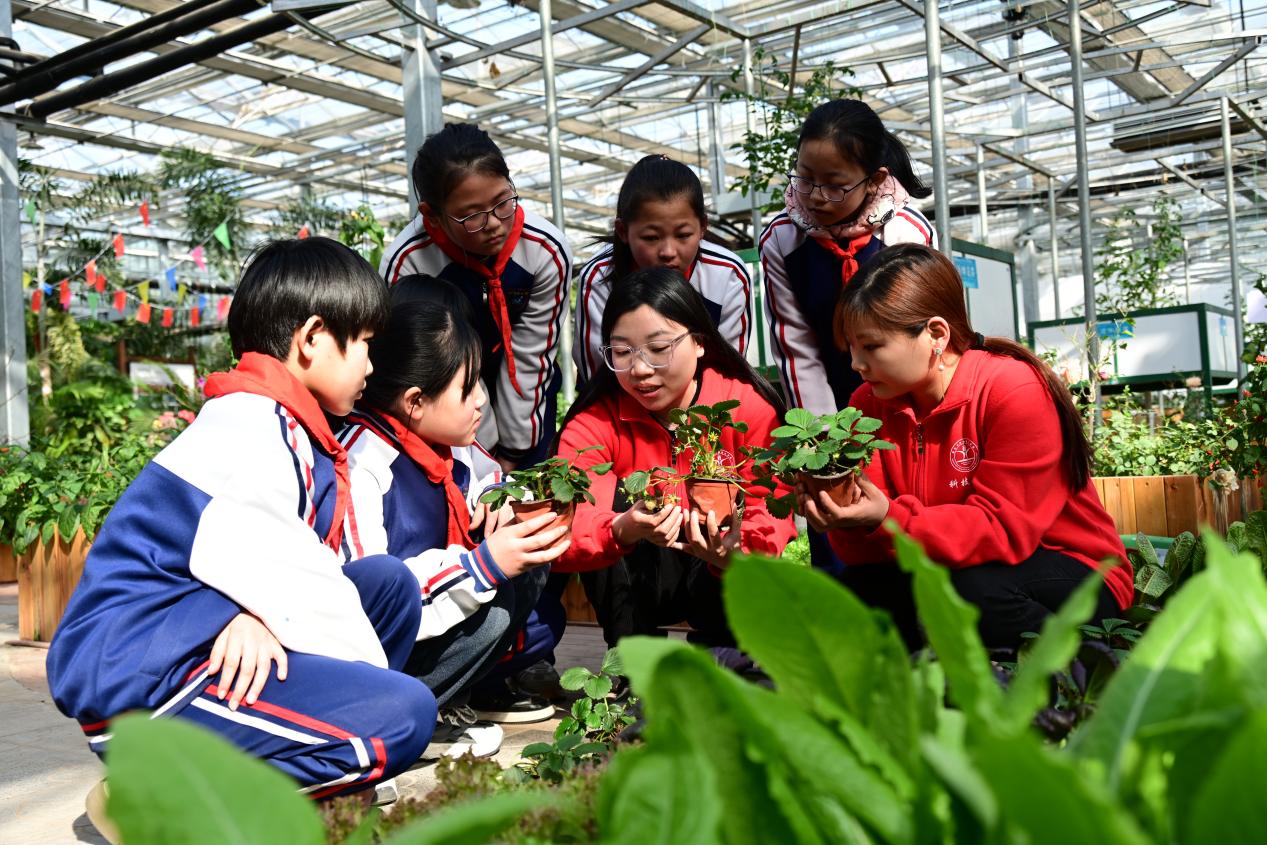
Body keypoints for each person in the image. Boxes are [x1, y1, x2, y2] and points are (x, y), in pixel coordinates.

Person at [46, 237, 435, 801]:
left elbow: (290, 573)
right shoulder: (251, 431)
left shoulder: (274, 418)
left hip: (185, 635)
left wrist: (252, 615)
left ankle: (322, 763)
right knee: (404, 715)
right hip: (143, 686)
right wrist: (377, 704)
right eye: (366, 345)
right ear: (313, 339)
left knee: (386, 586)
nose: (372, 366)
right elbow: (310, 597)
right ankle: (166, 796)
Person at [800, 244, 1134, 650]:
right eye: (851, 347)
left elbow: (1005, 532)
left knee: (970, 592)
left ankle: (1083, 666)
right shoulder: (866, 406)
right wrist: (850, 520)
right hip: (951, 566)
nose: (856, 363)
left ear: (936, 335)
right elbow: (868, 559)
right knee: (849, 594)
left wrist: (888, 515)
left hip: (1071, 568)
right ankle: (915, 694)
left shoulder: (1013, 389)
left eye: (871, 347)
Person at [342, 279, 564, 758]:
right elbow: (370, 599)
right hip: (375, 651)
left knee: (536, 590)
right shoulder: (362, 463)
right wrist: (482, 567)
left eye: (481, 380)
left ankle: (443, 702)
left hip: (436, 612)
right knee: (499, 609)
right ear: (415, 402)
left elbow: (493, 482)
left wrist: (504, 498)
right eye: (467, 388)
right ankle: (406, 712)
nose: (483, 399)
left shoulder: (453, 446)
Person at [555, 267, 797, 649]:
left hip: (722, 570)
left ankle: (729, 649)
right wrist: (620, 528)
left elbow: (770, 507)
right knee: (609, 510)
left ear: (700, 342)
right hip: (640, 575)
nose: (639, 369)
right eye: (622, 352)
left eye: (658, 348)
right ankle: (633, 660)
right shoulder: (594, 422)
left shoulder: (746, 405)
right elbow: (567, 523)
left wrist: (734, 549)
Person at [759, 98, 937, 576]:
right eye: (805, 177)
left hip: (902, 396)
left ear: (876, 180)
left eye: (836, 185)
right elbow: (794, 345)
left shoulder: (907, 232)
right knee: (835, 529)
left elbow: (921, 337)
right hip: (828, 396)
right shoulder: (781, 239)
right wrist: (825, 439)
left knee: (902, 520)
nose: (816, 196)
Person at [380, 122, 573, 472]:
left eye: (503, 202)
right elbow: (430, 366)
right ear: (433, 216)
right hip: (447, 400)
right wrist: (482, 458)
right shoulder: (409, 262)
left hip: (523, 393)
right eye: (471, 216)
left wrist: (514, 452)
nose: (494, 223)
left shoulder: (544, 250)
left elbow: (531, 355)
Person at [574, 154, 751, 384]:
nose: (668, 251)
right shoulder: (599, 278)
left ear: (703, 227)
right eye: (651, 237)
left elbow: (728, 376)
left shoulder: (727, 275)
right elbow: (598, 379)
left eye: (683, 235)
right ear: (622, 231)